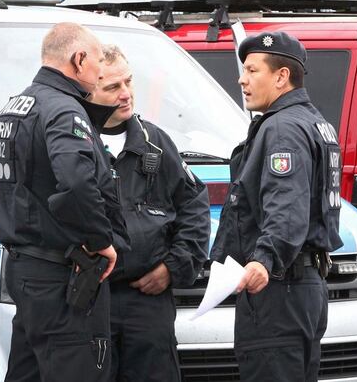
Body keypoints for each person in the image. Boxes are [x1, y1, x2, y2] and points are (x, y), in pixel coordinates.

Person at [0, 23, 126, 382]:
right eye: (97, 61)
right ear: (78, 59)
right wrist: (101, 241)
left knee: (27, 373)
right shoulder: (65, 110)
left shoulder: (15, 106)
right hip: (61, 276)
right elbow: (77, 183)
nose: (100, 71)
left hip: (25, 268)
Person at [209, 31, 343, 382]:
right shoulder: (313, 122)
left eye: (253, 70)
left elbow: (286, 207)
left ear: (281, 77)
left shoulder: (283, 128)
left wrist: (264, 260)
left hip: (279, 292)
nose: (242, 79)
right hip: (304, 288)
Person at [88, 44, 210, 382]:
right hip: (91, 300)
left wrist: (173, 267)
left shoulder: (154, 141)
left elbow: (194, 204)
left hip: (147, 301)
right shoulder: (73, 140)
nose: (126, 94)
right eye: (113, 87)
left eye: (128, 82)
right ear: (87, 89)